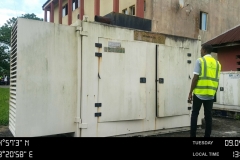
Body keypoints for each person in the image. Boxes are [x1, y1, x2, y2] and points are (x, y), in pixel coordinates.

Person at [188, 44, 221, 137]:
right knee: (208, 116)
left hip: (199, 93)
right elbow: (217, 80)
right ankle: (207, 137)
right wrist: (214, 92)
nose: (200, 51)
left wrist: (190, 92)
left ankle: (193, 136)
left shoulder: (200, 61)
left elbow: (195, 78)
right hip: (210, 94)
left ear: (205, 50)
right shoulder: (218, 64)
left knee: (195, 114)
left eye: (201, 49)